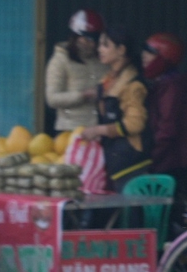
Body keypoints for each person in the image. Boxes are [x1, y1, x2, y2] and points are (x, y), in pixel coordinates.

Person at [61, 24, 149, 194]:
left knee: (129, 216)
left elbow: (135, 124)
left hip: (130, 162)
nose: (99, 49)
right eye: (100, 44)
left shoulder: (133, 85)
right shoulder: (109, 80)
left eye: (105, 45)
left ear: (121, 50)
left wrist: (100, 130)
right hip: (114, 159)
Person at [141, 32, 187, 175]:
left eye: (150, 53)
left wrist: (152, 156)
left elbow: (167, 128)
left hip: (168, 160)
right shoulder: (161, 83)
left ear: (164, 59)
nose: (144, 56)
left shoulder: (170, 87)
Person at [44, 8, 106, 135]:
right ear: (76, 36)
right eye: (87, 39)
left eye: (95, 39)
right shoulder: (60, 60)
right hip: (69, 130)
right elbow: (52, 98)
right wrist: (83, 95)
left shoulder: (103, 59)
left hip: (98, 130)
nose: (91, 44)